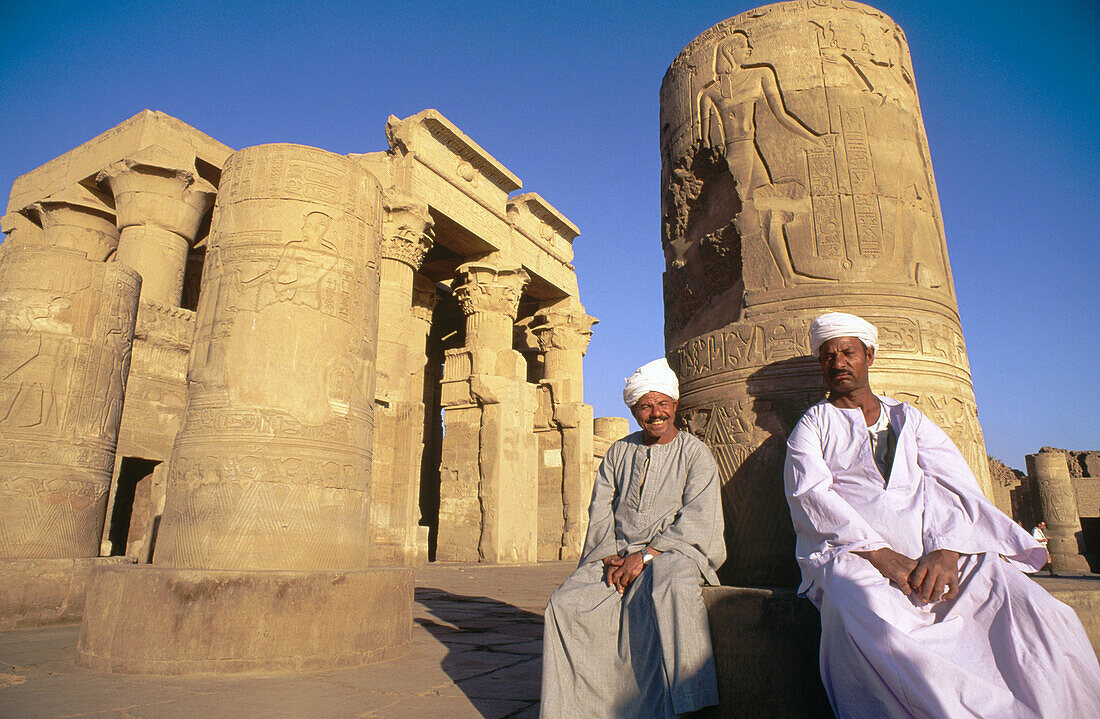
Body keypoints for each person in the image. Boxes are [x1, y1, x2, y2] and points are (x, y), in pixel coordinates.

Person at [784, 311, 1100, 718]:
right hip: (857, 557)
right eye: (828, 356)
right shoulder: (814, 424)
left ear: (869, 356)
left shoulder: (908, 418)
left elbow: (952, 484)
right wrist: (882, 556)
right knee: (851, 607)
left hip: (935, 553)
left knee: (1027, 604)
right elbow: (810, 494)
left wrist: (948, 551)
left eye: (848, 352)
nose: (839, 363)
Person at [541, 358, 725, 718]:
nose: (655, 413)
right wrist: (608, 554)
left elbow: (699, 517)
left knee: (668, 590)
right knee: (565, 604)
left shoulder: (695, 454)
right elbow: (601, 509)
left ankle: (689, 704)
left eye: (662, 405)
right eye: (645, 406)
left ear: (675, 406)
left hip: (675, 551)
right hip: (617, 554)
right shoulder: (619, 451)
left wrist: (647, 555)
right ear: (635, 410)